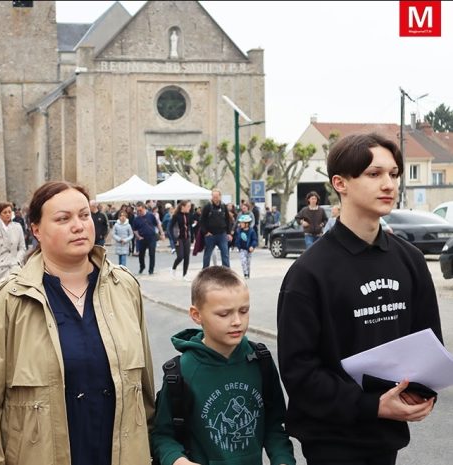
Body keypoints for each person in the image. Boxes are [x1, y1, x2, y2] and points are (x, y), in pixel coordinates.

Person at [277, 133, 443, 465]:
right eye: (374, 174)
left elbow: (428, 346)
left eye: (394, 174)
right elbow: (299, 372)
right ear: (341, 183)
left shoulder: (410, 261)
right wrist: (372, 404)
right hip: (331, 441)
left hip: (387, 437)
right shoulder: (308, 273)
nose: (389, 184)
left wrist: (421, 392)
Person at [0, 180, 155, 465]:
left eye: (84, 215)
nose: (79, 226)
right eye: (63, 219)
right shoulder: (11, 300)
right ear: (36, 230)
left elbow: (144, 392)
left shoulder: (125, 288)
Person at [152, 266, 295, 465]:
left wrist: (283, 460)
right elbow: (162, 436)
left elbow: (275, 427)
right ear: (196, 315)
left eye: (244, 311)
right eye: (224, 314)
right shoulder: (181, 372)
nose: (237, 321)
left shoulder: (260, 361)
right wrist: (177, 461)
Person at [0, 201, 26, 283]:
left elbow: (22, 248)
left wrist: (18, 261)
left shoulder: (17, 227)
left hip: (14, 267)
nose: (8, 214)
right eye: (5, 212)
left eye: (9, 212)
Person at [200, 189, 233, 268]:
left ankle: (226, 270)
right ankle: (205, 270)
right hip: (210, 235)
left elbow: (228, 220)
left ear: (220, 197)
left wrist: (229, 233)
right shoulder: (207, 207)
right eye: (213, 196)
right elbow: (202, 220)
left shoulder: (223, 206)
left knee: (225, 253)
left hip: (222, 234)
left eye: (217, 197)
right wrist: (205, 232)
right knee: (207, 254)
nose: (215, 198)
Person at [132, 201, 164, 275]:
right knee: (141, 255)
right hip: (142, 238)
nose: (139, 212)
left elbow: (158, 225)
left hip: (151, 237)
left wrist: (162, 233)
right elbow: (134, 230)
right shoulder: (136, 219)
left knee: (152, 253)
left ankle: (151, 270)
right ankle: (142, 267)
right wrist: (138, 236)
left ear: (144, 208)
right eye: (137, 210)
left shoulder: (150, 215)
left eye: (140, 210)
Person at [170, 200, 192, 281]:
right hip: (179, 238)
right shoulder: (176, 216)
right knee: (180, 256)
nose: (189, 208)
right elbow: (170, 228)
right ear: (183, 207)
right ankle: (173, 269)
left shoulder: (189, 215)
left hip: (187, 238)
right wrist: (174, 239)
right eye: (188, 206)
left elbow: (190, 227)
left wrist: (192, 237)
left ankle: (185, 275)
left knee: (187, 257)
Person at [235, 213, 258, 279]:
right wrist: (237, 245)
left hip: (249, 250)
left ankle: (248, 274)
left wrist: (252, 246)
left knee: (248, 263)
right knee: (243, 261)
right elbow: (237, 239)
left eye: (242, 223)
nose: (240, 224)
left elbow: (254, 240)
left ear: (246, 224)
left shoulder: (251, 231)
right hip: (242, 249)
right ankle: (245, 274)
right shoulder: (239, 231)